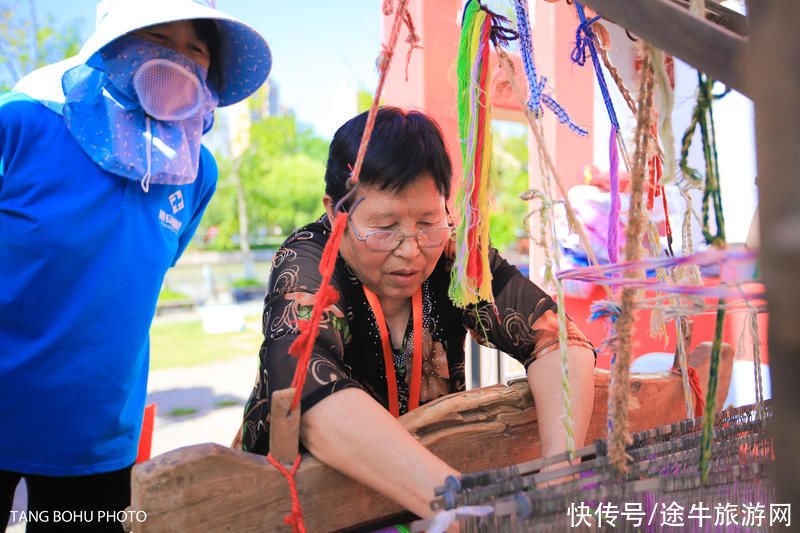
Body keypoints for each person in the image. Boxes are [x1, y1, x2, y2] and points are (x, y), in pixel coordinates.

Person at [240, 107, 596, 518]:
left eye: (428, 221)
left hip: (430, 498)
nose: (410, 250)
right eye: (384, 226)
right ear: (337, 212)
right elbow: (301, 386)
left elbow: (557, 339)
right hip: (309, 510)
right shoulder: (307, 261)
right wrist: (464, 507)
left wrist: (559, 474)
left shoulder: (453, 255)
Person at [0, 1, 270, 531]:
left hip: (99, 436)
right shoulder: (22, 124)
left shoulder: (198, 173)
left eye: (196, 48)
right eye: (158, 38)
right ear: (113, 47)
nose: (179, 59)